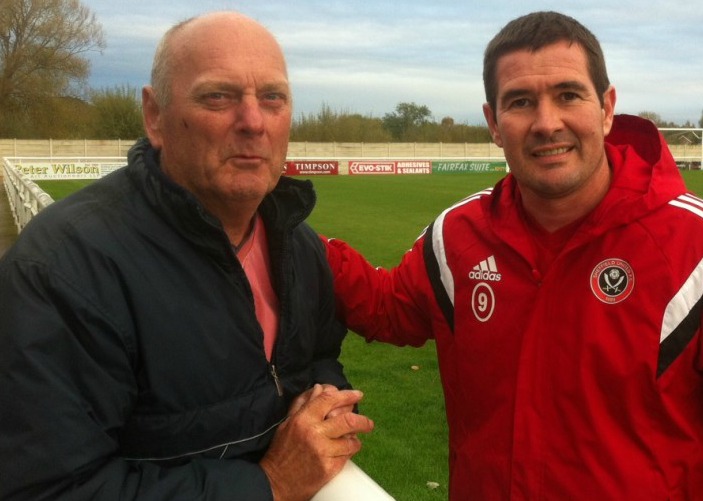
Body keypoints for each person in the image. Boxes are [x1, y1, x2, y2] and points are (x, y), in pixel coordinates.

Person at [323, 11, 703, 500]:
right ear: (494, 123)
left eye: (568, 95)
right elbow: (386, 307)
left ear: (606, 107)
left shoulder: (691, 247)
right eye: (521, 102)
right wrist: (284, 235)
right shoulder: (458, 236)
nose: (547, 123)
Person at [0, 11, 374, 501]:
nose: (253, 122)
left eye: (272, 97)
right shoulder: (63, 269)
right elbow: (46, 488)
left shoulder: (300, 246)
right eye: (218, 96)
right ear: (154, 116)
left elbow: (320, 355)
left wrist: (326, 400)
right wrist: (270, 484)